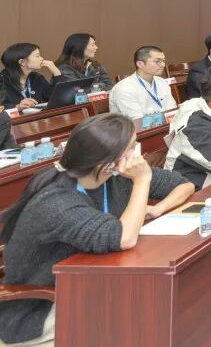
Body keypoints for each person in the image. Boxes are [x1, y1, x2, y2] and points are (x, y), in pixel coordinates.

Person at [0, 114, 194, 347]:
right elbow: (125, 238)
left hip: (91, 284)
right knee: (142, 316)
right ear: (108, 159)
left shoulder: (114, 177)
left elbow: (184, 185)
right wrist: (142, 181)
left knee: (161, 304)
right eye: (132, 147)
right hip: (40, 308)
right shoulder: (56, 201)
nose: (138, 153)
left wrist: (156, 209)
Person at [108, 46, 178, 121]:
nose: (163, 65)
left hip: (165, 125)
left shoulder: (162, 82)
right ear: (140, 64)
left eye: (163, 61)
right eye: (158, 61)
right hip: (135, 127)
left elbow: (172, 109)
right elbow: (137, 121)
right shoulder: (124, 88)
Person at [0, 43, 61, 110]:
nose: (42, 58)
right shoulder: (2, 81)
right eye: (37, 56)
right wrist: (17, 107)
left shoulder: (37, 78)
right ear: (22, 62)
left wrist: (56, 73)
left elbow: (55, 98)